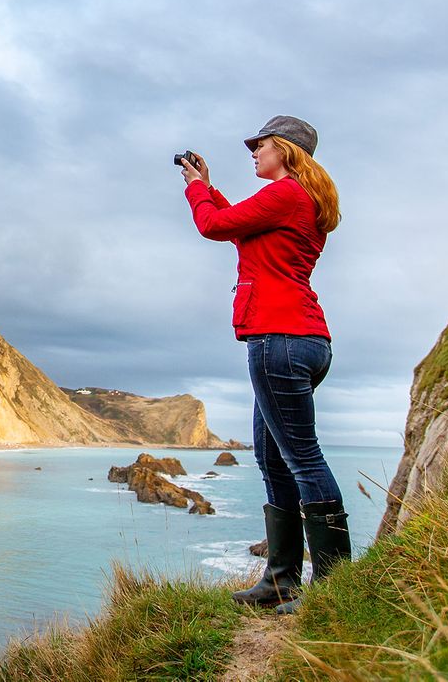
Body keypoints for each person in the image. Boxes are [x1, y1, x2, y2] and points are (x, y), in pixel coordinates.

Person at [177, 115, 350, 614]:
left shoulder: (288, 193)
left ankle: (332, 591)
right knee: (273, 459)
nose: (253, 152)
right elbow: (240, 231)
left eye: (261, 146)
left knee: (302, 460)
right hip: (299, 340)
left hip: (281, 340)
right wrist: (210, 188)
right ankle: (280, 582)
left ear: (286, 151)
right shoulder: (295, 200)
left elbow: (212, 226)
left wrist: (196, 191)